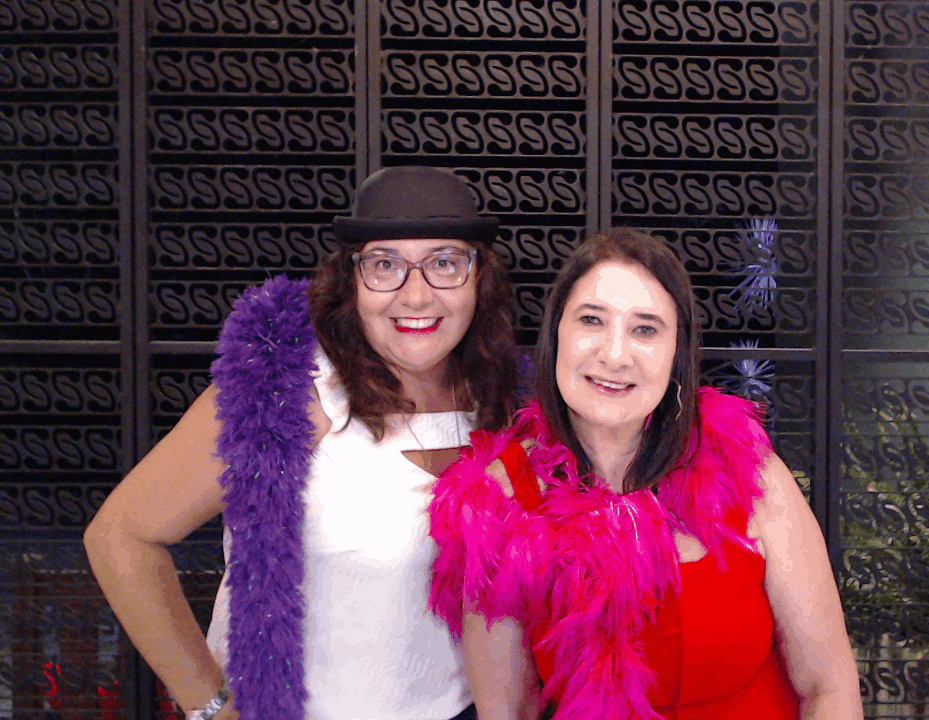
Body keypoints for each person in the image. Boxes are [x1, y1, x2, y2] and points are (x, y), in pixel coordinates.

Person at [84, 166, 519, 720]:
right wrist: (211, 708)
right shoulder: (286, 391)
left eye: (445, 263)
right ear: (351, 280)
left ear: (479, 278)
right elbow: (120, 537)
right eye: (385, 264)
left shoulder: (503, 402)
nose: (416, 295)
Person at [428, 228, 864, 720]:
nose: (615, 355)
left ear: (677, 352)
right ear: (556, 334)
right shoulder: (498, 503)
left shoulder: (750, 469)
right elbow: (510, 712)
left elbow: (829, 687)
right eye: (591, 320)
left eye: (646, 329)